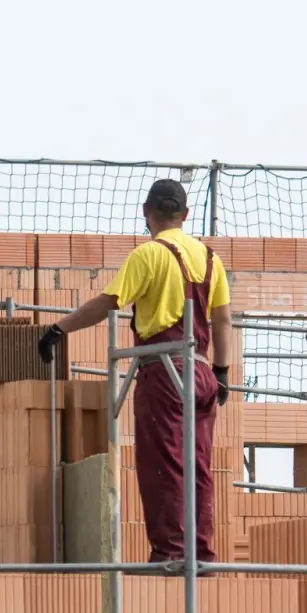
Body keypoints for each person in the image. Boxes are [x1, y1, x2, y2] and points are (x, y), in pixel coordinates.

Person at [37, 179, 233, 567]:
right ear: (186, 215)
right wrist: (223, 372)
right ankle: (201, 558)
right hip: (200, 372)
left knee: (164, 466)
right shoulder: (210, 258)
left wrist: (59, 329)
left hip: (164, 371)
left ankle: (171, 558)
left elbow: (109, 303)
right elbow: (223, 319)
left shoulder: (148, 255)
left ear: (147, 213)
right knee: (197, 467)